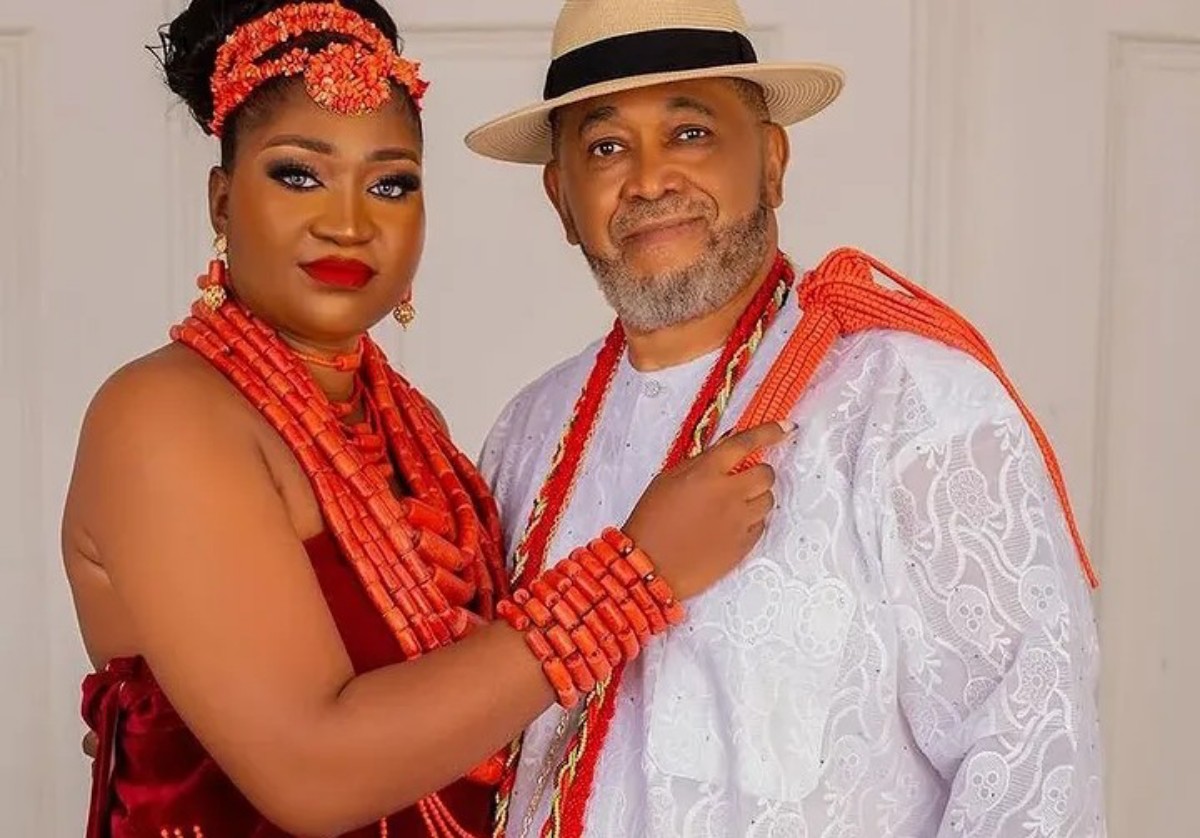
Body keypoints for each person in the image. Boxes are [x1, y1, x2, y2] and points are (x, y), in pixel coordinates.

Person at [61, 2, 787, 836]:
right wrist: (636, 575)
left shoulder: (413, 427)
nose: (347, 222)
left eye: (390, 183)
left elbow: (484, 722)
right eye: (298, 174)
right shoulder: (161, 418)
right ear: (222, 202)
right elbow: (313, 773)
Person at [466, 1, 1107, 836]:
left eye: (690, 132)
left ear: (772, 162)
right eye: (606, 147)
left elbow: (1034, 763)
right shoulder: (526, 435)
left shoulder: (914, 407)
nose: (650, 180)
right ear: (561, 198)